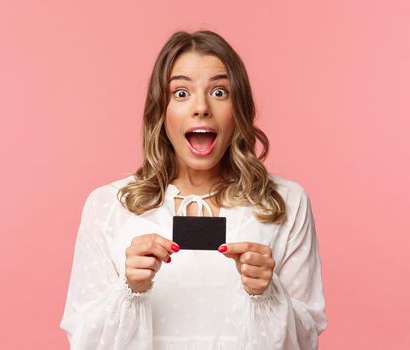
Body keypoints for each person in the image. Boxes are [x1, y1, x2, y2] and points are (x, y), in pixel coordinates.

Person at [59, 30, 327, 349]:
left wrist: (267, 293)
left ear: (238, 108)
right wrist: (128, 289)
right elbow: (83, 341)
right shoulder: (108, 206)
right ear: (161, 111)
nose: (201, 107)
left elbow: (306, 340)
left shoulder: (284, 203)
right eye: (182, 93)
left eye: (219, 91)